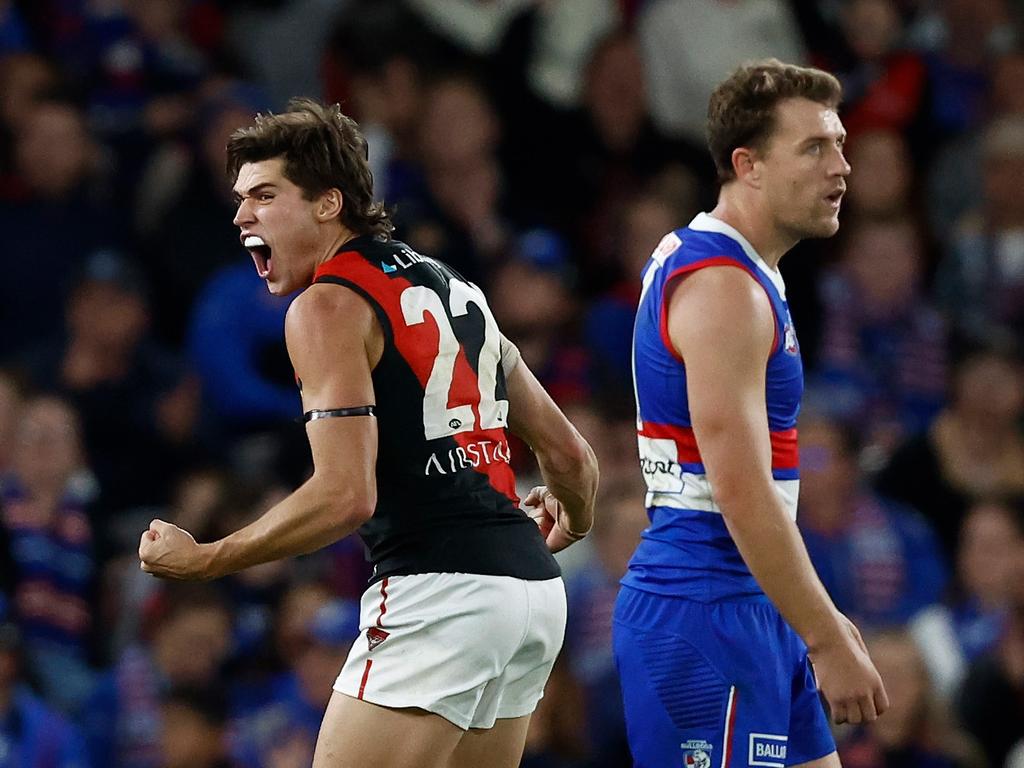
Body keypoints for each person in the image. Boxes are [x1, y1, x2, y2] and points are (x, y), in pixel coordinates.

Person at [137, 97, 599, 768]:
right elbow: (570, 458)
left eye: (265, 195)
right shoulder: (456, 288)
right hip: (528, 596)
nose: (242, 216)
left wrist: (210, 558)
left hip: (440, 595)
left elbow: (345, 495)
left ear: (328, 204)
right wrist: (573, 524)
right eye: (241, 199)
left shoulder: (326, 305)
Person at [613, 59, 889, 768]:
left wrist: (815, 617)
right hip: (705, 605)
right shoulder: (724, 288)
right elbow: (735, 486)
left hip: (745, 595)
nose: (842, 167)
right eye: (814, 148)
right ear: (748, 165)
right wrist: (825, 636)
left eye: (841, 144)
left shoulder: (741, 269)